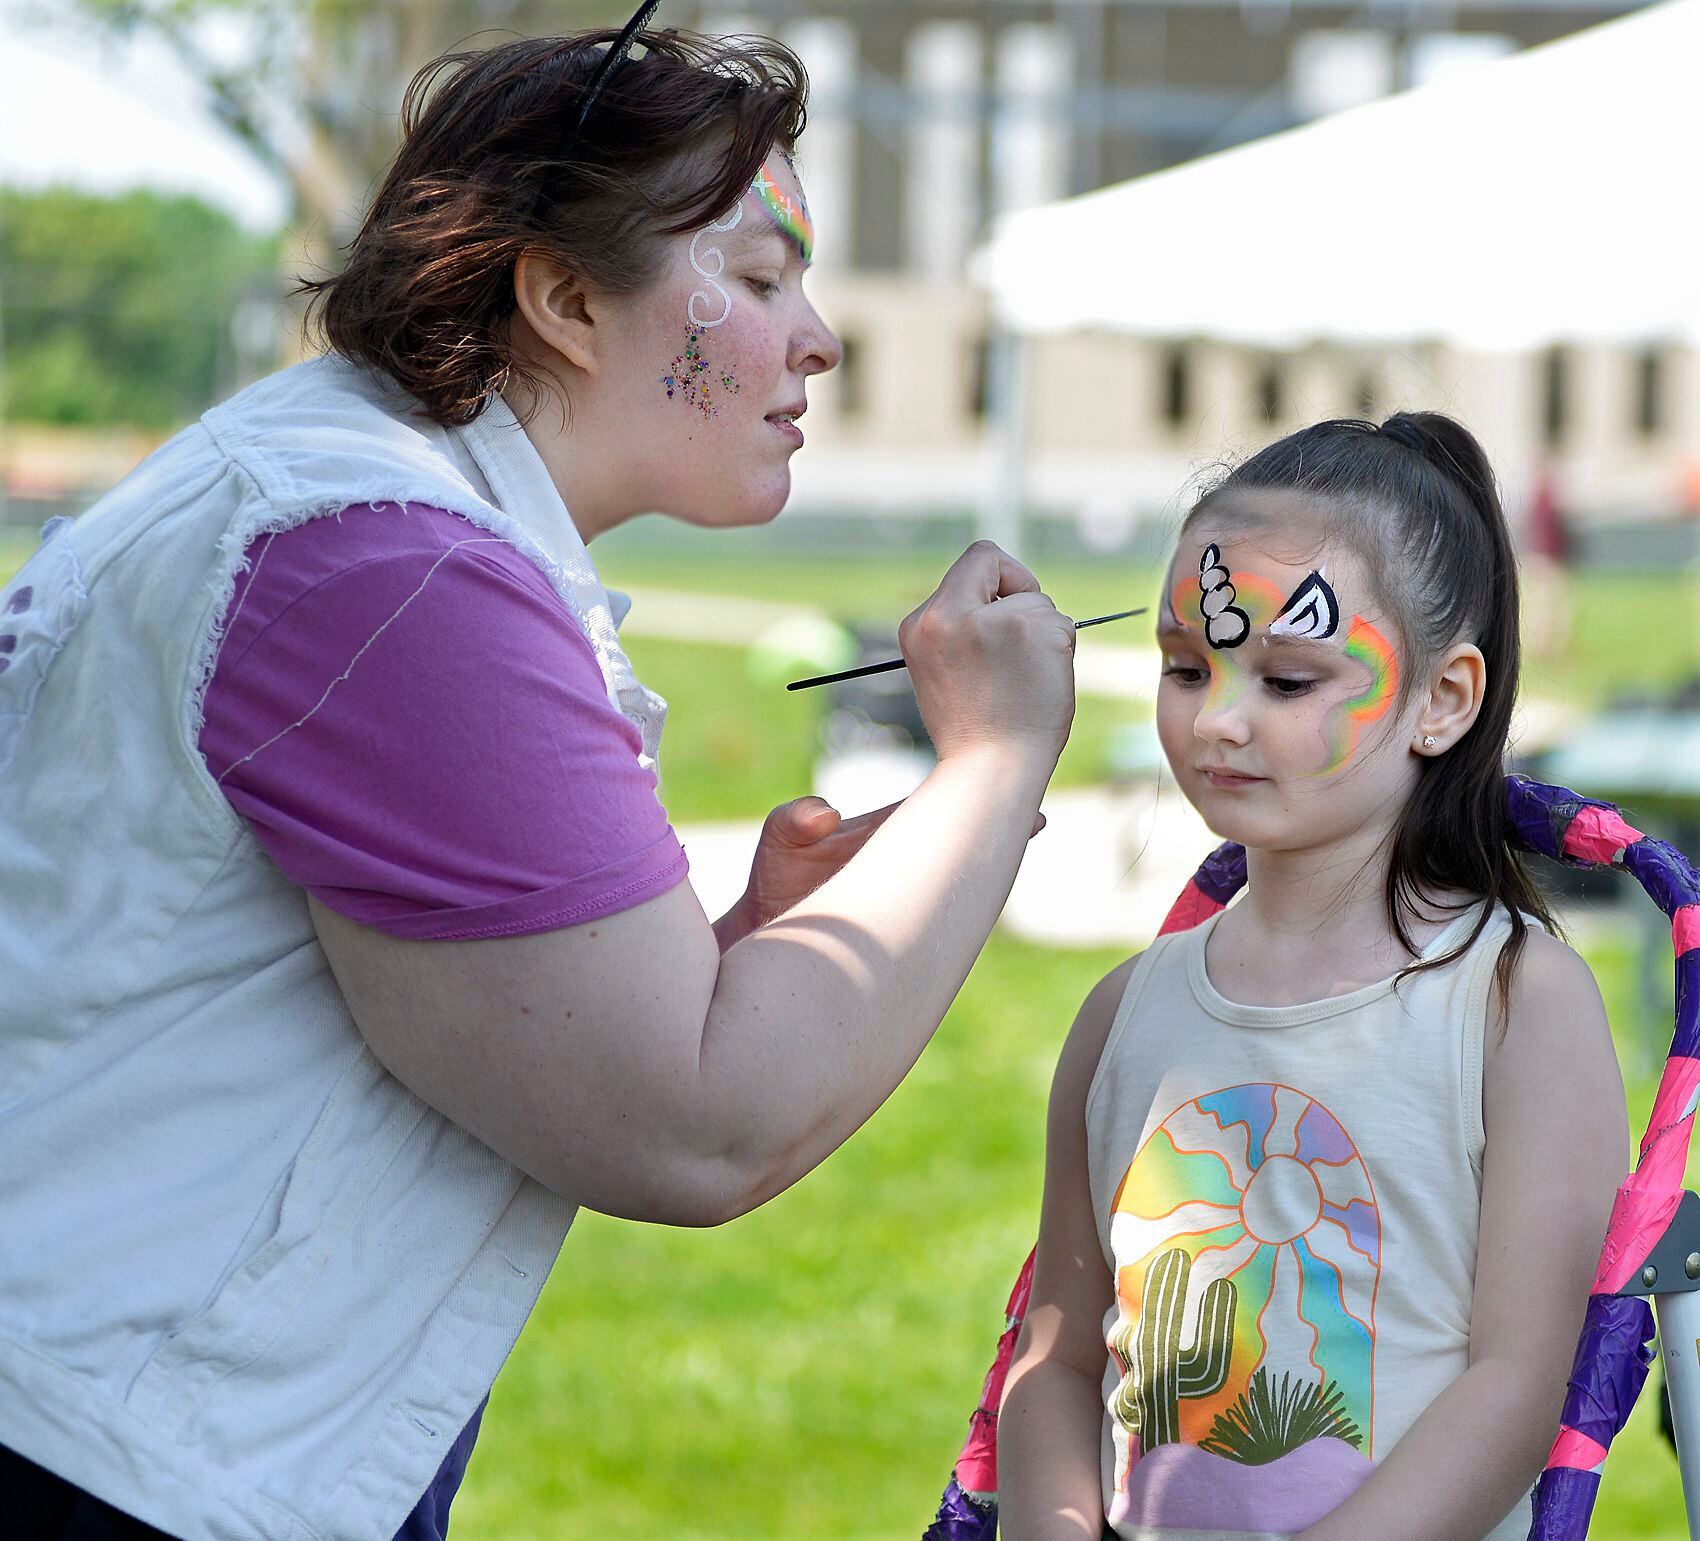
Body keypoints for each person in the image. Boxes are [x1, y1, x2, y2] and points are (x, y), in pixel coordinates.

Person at [0, 27, 1076, 1541]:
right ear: (565, 299)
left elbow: (514, 1034)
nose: (818, 338)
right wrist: (996, 754)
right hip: (100, 1461)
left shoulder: (340, 496)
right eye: (761, 282)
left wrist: (725, 958)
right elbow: (694, 1123)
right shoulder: (396, 573)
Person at [996, 413, 1627, 1540]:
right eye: (1184, 666)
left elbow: (1519, 1383)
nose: (1215, 719)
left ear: (1442, 698)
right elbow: (1051, 1345)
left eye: (1286, 680)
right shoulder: (1120, 1015)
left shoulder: (1513, 1001)